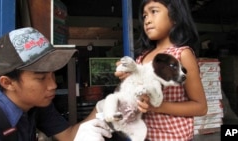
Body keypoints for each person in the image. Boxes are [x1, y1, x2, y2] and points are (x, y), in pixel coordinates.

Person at [84, 0, 208, 141]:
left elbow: (200, 107)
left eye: (154, 11)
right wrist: (126, 79)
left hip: (174, 137)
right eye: (144, 16)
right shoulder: (142, 58)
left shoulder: (182, 54)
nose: (147, 20)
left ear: (175, 16)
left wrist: (156, 106)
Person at [0, 27, 112, 141]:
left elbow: (68, 136)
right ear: (7, 83)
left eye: (53, 74)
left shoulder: (36, 103)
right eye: (41, 78)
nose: (53, 85)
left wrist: (103, 108)